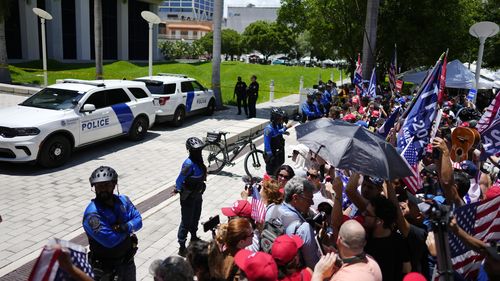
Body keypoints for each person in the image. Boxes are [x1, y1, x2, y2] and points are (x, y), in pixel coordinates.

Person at [83, 166, 142, 281]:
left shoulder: (123, 200)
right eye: (98, 186)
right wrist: (130, 229)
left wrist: (125, 226)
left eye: (106, 185)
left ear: (114, 185)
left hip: (128, 262)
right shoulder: (92, 214)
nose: (102, 189)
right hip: (106, 269)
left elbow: (138, 220)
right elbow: (110, 240)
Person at [311, 220, 382, 281]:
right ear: (364, 243)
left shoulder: (342, 278)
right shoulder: (373, 263)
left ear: (338, 240)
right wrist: (340, 258)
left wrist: (318, 274)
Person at [174, 137, 207, 257]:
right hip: (188, 197)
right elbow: (179, 180)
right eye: (195, 151)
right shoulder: (188, 164)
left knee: (196, 216)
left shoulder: (199, 161)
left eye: (199, 151)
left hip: (198, 194)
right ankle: (182, 246)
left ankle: (193, 237)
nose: (198, 153)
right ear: (190, 151)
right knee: (186, 220)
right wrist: (178, 189)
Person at [279, 177, 322, 268]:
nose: (312, 202)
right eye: (309, 199)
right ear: (295, 198)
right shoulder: (303, 228)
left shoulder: (271, 210)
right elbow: (313, 265)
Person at [264, 108, 292, 176]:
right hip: (272, 154)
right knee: (271, 172)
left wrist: (284, 131)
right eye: (279, 119)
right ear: (275, 119)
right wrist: (271, 157)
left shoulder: (276, 126)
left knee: (278, 168)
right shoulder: (268, 129)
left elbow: (277, 132)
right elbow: (267, 145)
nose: (280, 120)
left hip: (277, 152)